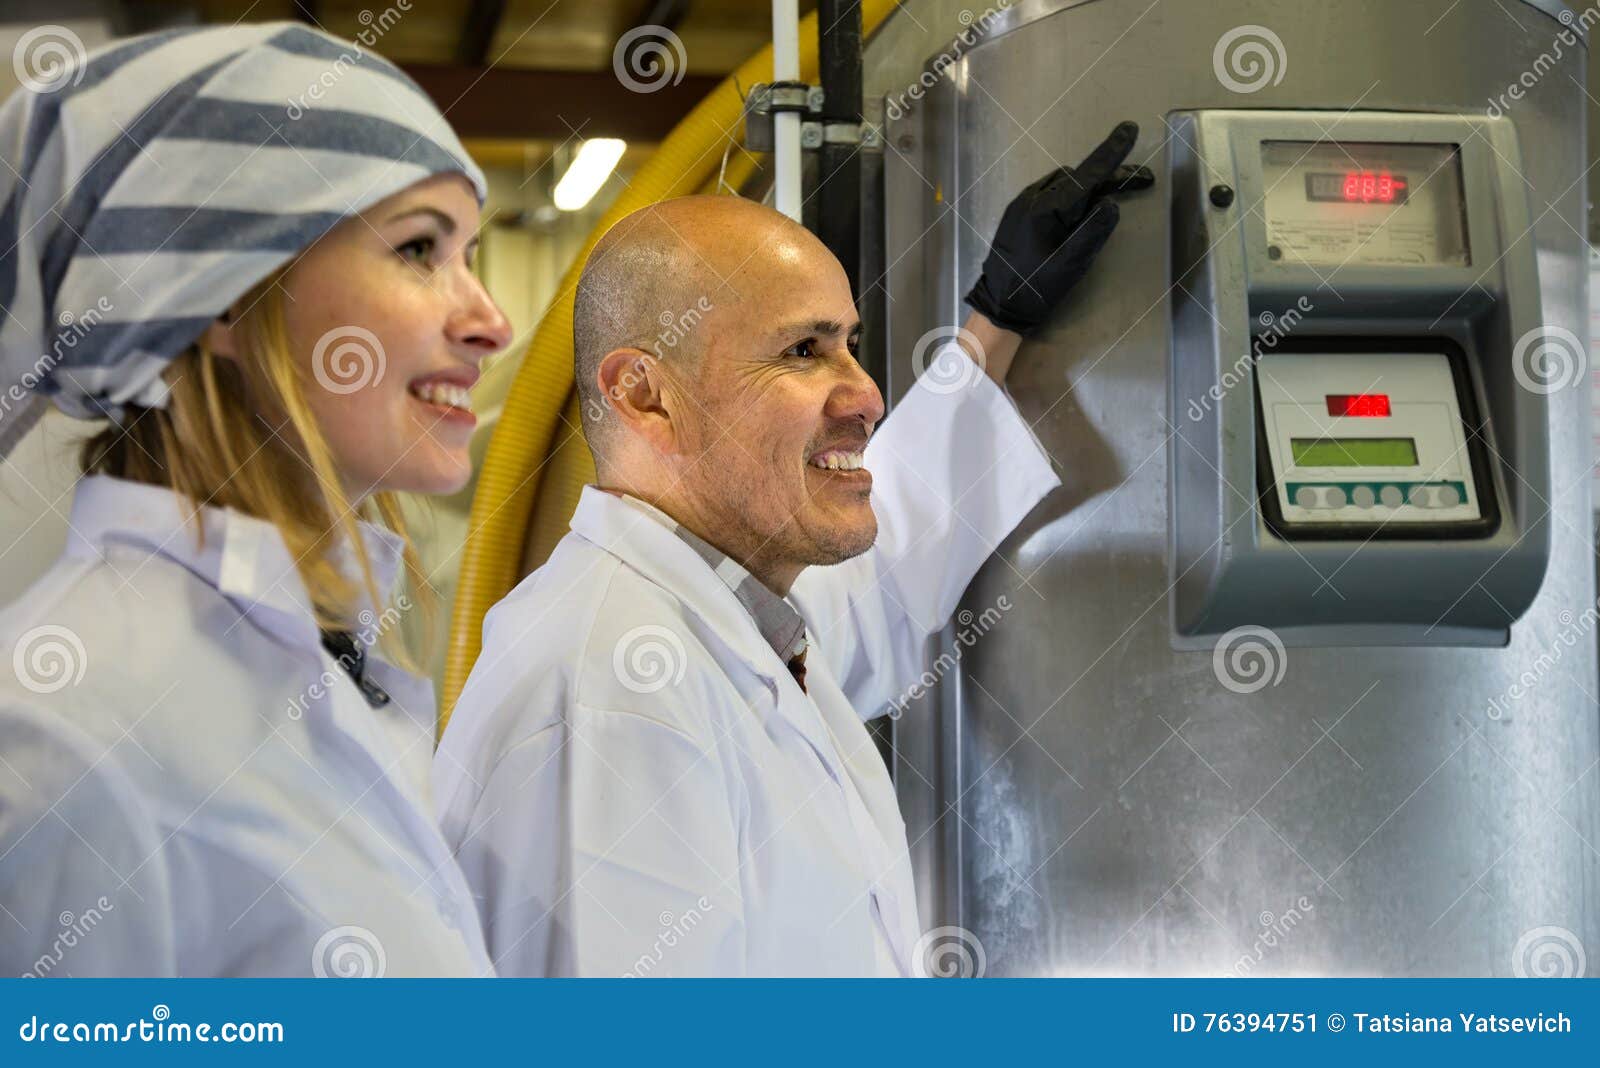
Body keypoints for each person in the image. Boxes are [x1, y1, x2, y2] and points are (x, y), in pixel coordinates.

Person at [434, 123, 1153, 975]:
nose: (867, 393)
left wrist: (996, 320)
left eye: (851, 344)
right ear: (645, 396)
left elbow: (886, 572)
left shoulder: (729, 621)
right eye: (803, 351)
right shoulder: (615, 687)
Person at [0, 22, 512, 976]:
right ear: (224, 297)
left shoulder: (322, 662)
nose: (492, 321)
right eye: (417, 250)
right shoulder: (66, 731)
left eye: (469, 253)